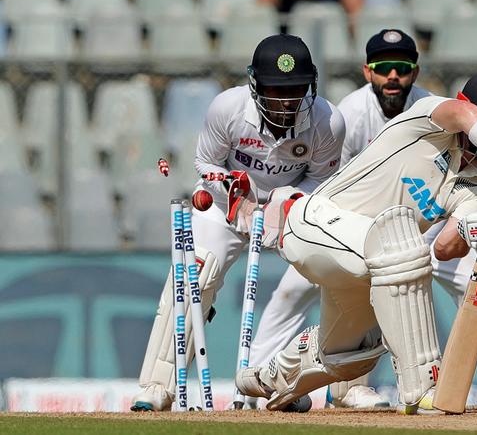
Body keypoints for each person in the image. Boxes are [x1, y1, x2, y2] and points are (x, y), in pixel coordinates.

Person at [249, 29, 477, 409]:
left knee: (351, 355)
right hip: (315, 223)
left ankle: (268, 377)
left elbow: (447, 249)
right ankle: (423, 386)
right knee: (403, 250)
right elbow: (463, 114)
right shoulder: (427, 118)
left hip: (367, 261)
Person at [130, 34, 345, 412]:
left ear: (310, 86)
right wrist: (232, 192)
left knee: (336, 270)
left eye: (295, 89)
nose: (285, 100)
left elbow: (321, 181)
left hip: (290, 209)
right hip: (224, 205)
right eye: (275, 90)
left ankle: (294, 386)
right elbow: (205, 164)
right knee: (193, 276)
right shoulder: (227, 108)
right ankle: (158, 387)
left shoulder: (329, 121)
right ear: (255, 86)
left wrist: (286, 201)